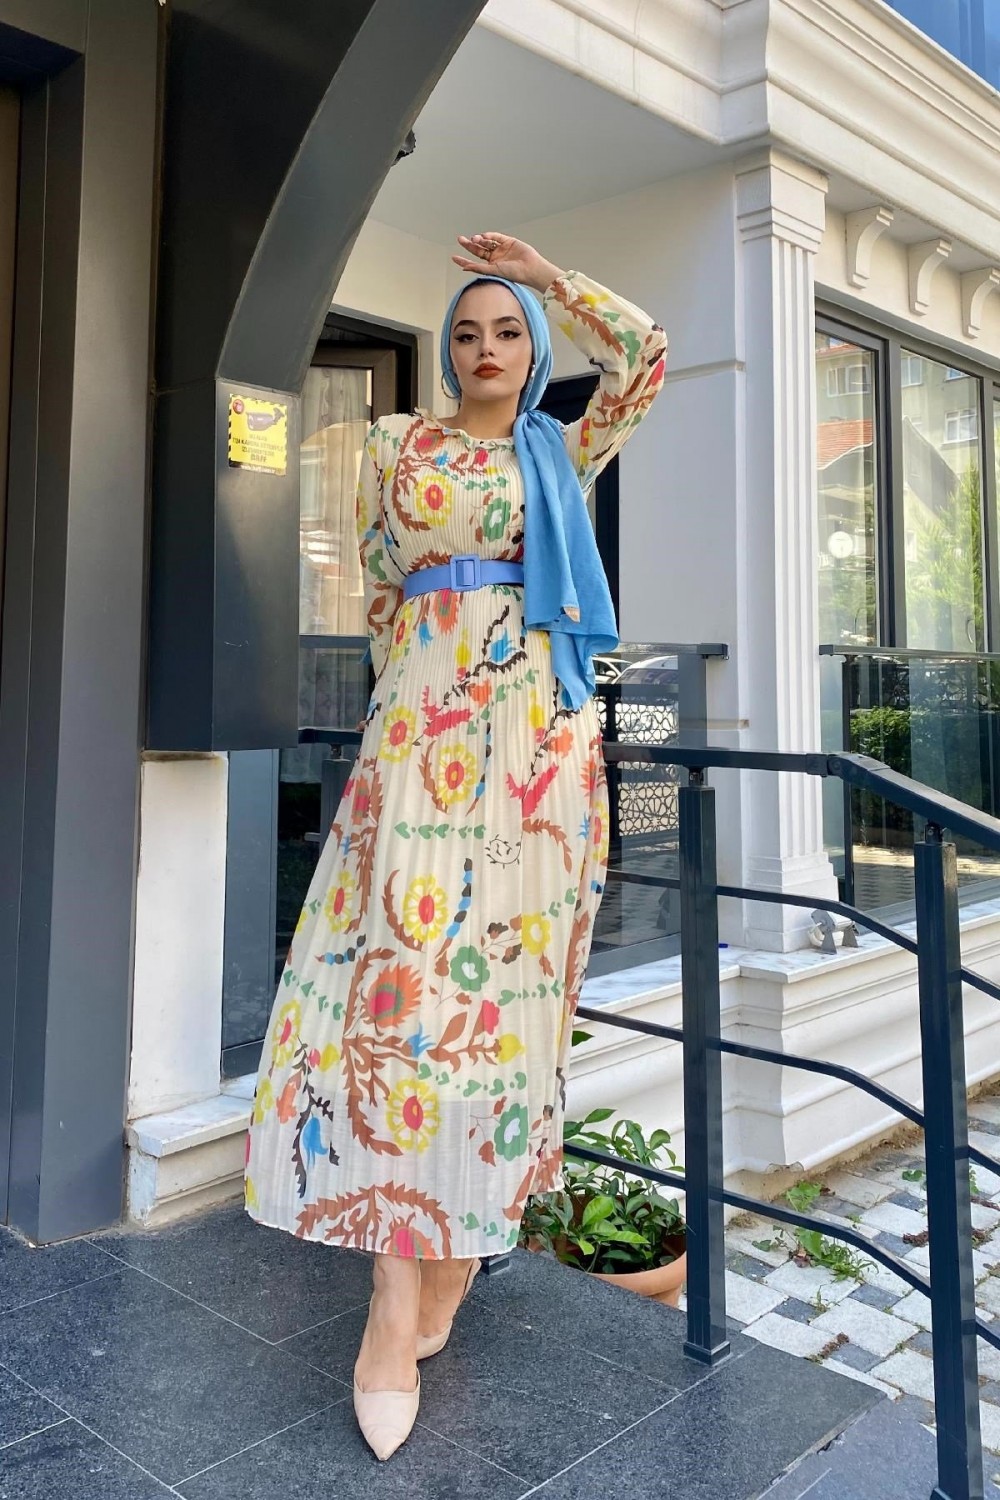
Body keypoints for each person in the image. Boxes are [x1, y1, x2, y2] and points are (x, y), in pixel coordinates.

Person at [245, 232, 667, 1460]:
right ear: (446, 352)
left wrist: (550, 277)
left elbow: (642, 356)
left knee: (506, 1006)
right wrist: (411, 708)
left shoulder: (562, 448)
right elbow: (383, 588)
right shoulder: (396, 445)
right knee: (403, 995)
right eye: (470, 332)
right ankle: (393, 1299)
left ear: (533, 352)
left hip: (539, 750)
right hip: (422, 738)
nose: (488, 348)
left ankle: (454, 1250)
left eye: (509, 331)